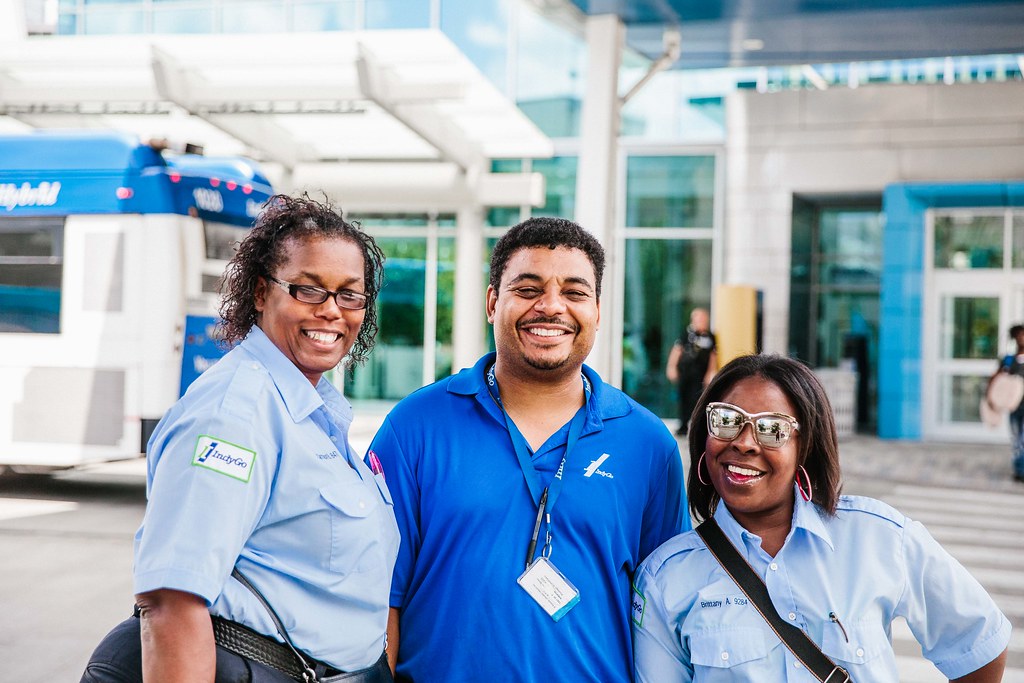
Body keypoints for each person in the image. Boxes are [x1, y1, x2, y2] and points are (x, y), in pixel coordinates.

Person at [82, 194, 398, 682]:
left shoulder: (310, 410)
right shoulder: (235, 413)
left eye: (349, 294)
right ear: (259, 293)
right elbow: (172, 599)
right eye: (307, 289)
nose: (332, 310)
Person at [368, 217, 688, 682]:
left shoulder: (648, 443)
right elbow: (379, 597)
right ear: (493, 301)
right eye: (528, 288)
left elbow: (665, 611)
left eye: (575, 292)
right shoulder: (415, 427)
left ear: (597, 311)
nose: (551, 306)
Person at [633, 353, 1011, 682]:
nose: (744, 442)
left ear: (805, 445)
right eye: (727, 420)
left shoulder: (880, 537)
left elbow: (979, 642)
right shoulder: (666, 579)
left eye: (771, 429)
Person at [665, 307, 717, 436]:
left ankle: (696, 426)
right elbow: (677, 350)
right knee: (683, 398)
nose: (699, 321)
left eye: (702, 318)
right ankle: (683, 426)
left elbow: (713, 356)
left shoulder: (710, 337)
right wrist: (671, 367)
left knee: (696, 400)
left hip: (699, 373)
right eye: (697, 318)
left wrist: (711, 373)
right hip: (685, 372)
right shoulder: (687, 334)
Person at [986, 323, 1024, 482]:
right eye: (1018, 335)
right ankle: (1019, 470)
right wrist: (990, 397)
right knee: (1016, 438)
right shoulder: (1008, 360)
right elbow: (995, 378)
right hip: (1014, 406)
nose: (1021, 338)